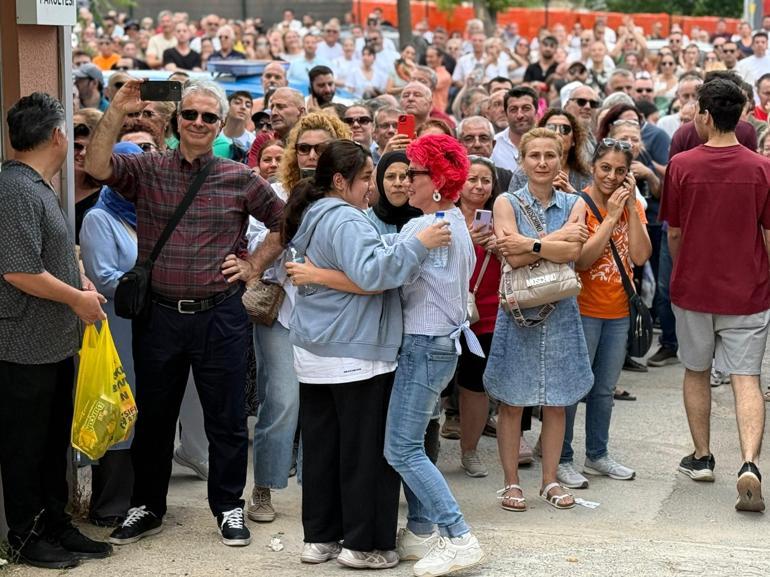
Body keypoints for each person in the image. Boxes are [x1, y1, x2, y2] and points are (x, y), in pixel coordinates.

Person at [84, 78, 285, 547]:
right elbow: (95, 165)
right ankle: (147, 506)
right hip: (160, 316)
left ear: (218, 126)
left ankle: (229, 507)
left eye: (208, 117)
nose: (197, 122)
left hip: (220, 315)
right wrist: (118, 109)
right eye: (189, 114)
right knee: (154, 418)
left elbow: (284, 221)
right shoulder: (148, 168)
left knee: (227, 419)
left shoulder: (240, 177)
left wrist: (254, 263)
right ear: (177, 121)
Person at [282, 140, 451, 568]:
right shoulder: (347, 220)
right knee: (365, 454)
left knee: (323, 450)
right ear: (340, 181)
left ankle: (320, 537)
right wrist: (420, 244)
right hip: (354, 350)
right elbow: (374, 274)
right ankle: (365, 544)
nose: (371, 188)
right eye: (364, 179)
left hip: (318, 350)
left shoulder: (315, 213)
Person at [0, 92, 111, 569]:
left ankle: (56, 526)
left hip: (50, 344)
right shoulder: (16, 190)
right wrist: (78, 299)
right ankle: (26, 538)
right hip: (22, 346)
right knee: (25, 449)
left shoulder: (35, 184)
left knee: (49, 448)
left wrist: (76, 279)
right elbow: (19, 272)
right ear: (57, 136)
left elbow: (44, 258)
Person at [661, 78, 770, 511]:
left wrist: (684, 268)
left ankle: (703, 456)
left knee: (696, 370)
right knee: (747, 379)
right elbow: (768, 234)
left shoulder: (682, 166)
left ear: (704, 116)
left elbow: (673, 232)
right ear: (741, 115)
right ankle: (749, 462)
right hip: (748, 288)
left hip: (694, 287)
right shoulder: (762, 169)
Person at [379, 135, 485, 576]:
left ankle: (458, 535)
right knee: (415, 440)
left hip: (426, 347)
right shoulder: (451, 221)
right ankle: (422, 530)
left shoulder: (426, 227)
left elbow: (385, 276)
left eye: (414, 173)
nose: (405, 181)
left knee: (401, 448)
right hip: (439, 346)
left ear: (437, 181)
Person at [246, 113, 350, 524]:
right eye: (303, 148)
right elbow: (256, 243)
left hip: (335, 316)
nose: (310, 155)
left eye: (320, 148)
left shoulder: (352, 196)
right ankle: (264, 488)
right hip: (283, 313)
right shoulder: (274, 191)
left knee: (326, 407)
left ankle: (319, 491)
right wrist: (293, 215)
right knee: (283, 403)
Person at [484, 128, 592, 510]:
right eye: (535, 156)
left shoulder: (575, 202)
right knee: (512, 402)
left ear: (560, 159)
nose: (543, 162)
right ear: (522, 160)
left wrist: (530, 244)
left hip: (560, 312)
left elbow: (573, 254)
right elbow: (510, 258)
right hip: (518, 311)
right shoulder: (505, 202)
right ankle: (511, 483)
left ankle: (549, 481)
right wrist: (555, 242)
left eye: (550, 155)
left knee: (557, 402)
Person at [558, 137, 651, 490]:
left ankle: (597, 454)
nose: (612, 176)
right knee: (573, 387)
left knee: (604, 389)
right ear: (593, 168)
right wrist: (610, 216)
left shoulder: (631, 206)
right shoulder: (579, 203)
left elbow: (641, 256)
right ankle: (563, 458)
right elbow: (581, 260)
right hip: (582, 309)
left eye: (620, 171)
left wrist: (628, 210)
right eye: (605, 168)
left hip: (618, 311)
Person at [455, 156, 501, 478]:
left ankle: (469, 451)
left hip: (484, 315)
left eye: (486, 180)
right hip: (443, 313)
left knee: (475, 386)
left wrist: (501, 247)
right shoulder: (444, 216)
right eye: (472, 179)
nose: (479, 186)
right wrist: (465, 242)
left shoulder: (500, 220)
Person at [511, 109, 591, 194]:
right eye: (551, 128)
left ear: (574, 140)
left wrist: (573, 193)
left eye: (564, 129)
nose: (557, 133)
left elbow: (592, 207)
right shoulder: (522, 174)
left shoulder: (584, 176)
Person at [367, 150, 422, 234]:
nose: (397, 183)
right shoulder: (366, 221)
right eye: (390, 176)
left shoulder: (428, 220)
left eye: (404, 176)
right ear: (380, 180)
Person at [492, 86, 538, 172]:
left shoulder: (550, 142)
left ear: (536, 111)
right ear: (506, 114)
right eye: (513, 110)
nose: (520, 115)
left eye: (526, 108)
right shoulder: (494, 144)